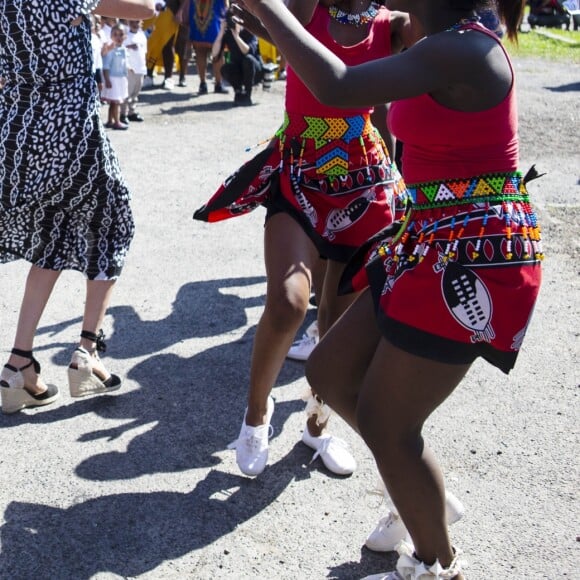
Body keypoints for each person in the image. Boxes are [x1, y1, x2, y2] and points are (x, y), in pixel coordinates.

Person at [237, 0, 543, 577]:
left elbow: (340, 85)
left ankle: (436, 562)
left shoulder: (464, 46)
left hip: (473, 257)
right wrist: (284, 28)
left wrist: (270, 8)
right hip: (429, 241)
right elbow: (341, 75)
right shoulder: (438, 39)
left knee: (386, 420)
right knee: (328, 371)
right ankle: (423, 499)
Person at [194, 0, 418, 478]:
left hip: (365, 182)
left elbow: (445, 38)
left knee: (337, 337)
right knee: (289, 303)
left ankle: (317, 428)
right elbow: (296, 39)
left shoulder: (394, 25)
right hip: (299, 171)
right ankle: (256, 417)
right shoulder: (304, 7)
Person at [0, 0, 156, 415]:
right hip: (71, 133)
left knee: (54, 237)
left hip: (22, 135)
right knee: (112, 225)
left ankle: (19, 365)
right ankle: (86, 353)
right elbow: (146, 10)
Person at [217, 9, 263, 105]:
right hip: (239, 70)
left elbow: (248, 51)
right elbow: (214, 53)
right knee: (225, 68)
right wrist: (221, 33)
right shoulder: (228, 34)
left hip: (256, 71)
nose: (233, 22)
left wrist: (237, 36)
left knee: (248, 60)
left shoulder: (250, 31)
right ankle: (238, 91)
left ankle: (247, 93)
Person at [187, 0, 229, 94]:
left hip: (199, 7)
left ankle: (204, 84)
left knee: (202, 50)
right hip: (213, 7)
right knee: (215, 50)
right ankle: (217, 84)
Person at [102, 23, 130, 129]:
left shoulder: (123, 49)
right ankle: (117, 122)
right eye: (115, 34)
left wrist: (129, 68)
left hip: (121, 78)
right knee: (116, 101)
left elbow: (124, 62)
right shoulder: (111, 50)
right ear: (111, 36)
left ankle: (110, 120)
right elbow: (106, 66)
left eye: (121, 34)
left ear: (125, 36)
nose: (118, 37)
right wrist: (107, 79)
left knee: (114, 102)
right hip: (113, 79)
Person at [122, 19, 148, 122]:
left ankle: (131, 112)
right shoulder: (126, 36)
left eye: (137, 22)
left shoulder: (142, 35)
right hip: (130, 69)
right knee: (128, 92)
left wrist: (144, 68)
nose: (134, 24)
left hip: (140, 68)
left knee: (136, 93)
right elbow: (121, 49)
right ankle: (123, 113)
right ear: (128, 23)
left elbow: (144, 52)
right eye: (132, 22)